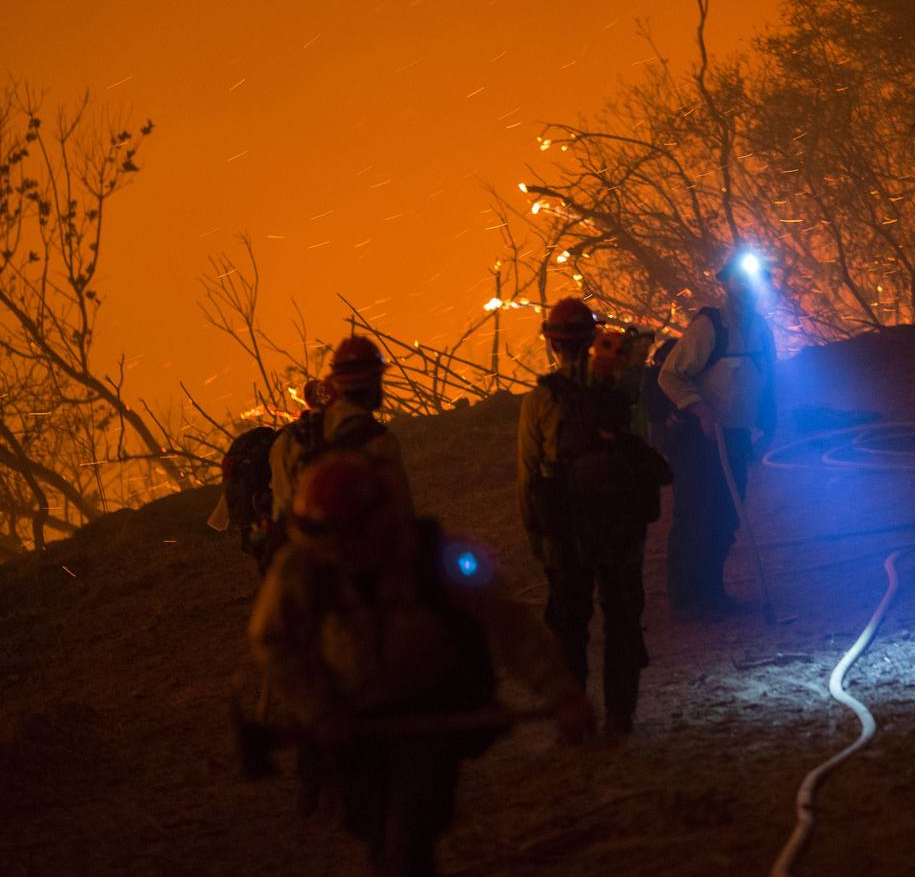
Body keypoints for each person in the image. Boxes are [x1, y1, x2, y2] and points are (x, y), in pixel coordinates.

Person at [249, 452, 593, 877]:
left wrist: (560, 691)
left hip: (431, 711)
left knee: (409, 835)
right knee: (373, 829)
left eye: (349, 540)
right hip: (353, 723)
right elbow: (274, 643)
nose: (342, 553)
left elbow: (510, 625)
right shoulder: (303, 570)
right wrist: (318, 708)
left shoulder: (435, 557)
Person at [517, 298, 671, 736]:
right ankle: (621, 715)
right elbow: (641, 447)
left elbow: (528, 475)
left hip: (567, 528)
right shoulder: (625, 395)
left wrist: (537, 536)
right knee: (623, 618)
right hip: (621, 524)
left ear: (552, 344)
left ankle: (575, 721)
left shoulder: (541, 400)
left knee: (569, 625)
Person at [657, 252, 777, 615]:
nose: (746, 288)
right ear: (724, 284)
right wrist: (699, 409)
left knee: (725, 515)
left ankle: (711, 593)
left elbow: (767, 382)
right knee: (696, 515)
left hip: (736, 438)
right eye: (738, 281)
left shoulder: (761, 330)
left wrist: (768, 428)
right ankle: (687, 599)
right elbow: (670, 375)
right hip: (701, 439)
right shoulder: (710, 327)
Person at [269, 335, 413, 526]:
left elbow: (281, 512)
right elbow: (400, 516)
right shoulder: (377, 440)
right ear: (373, 383)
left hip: (306, 547)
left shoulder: (290, 439)